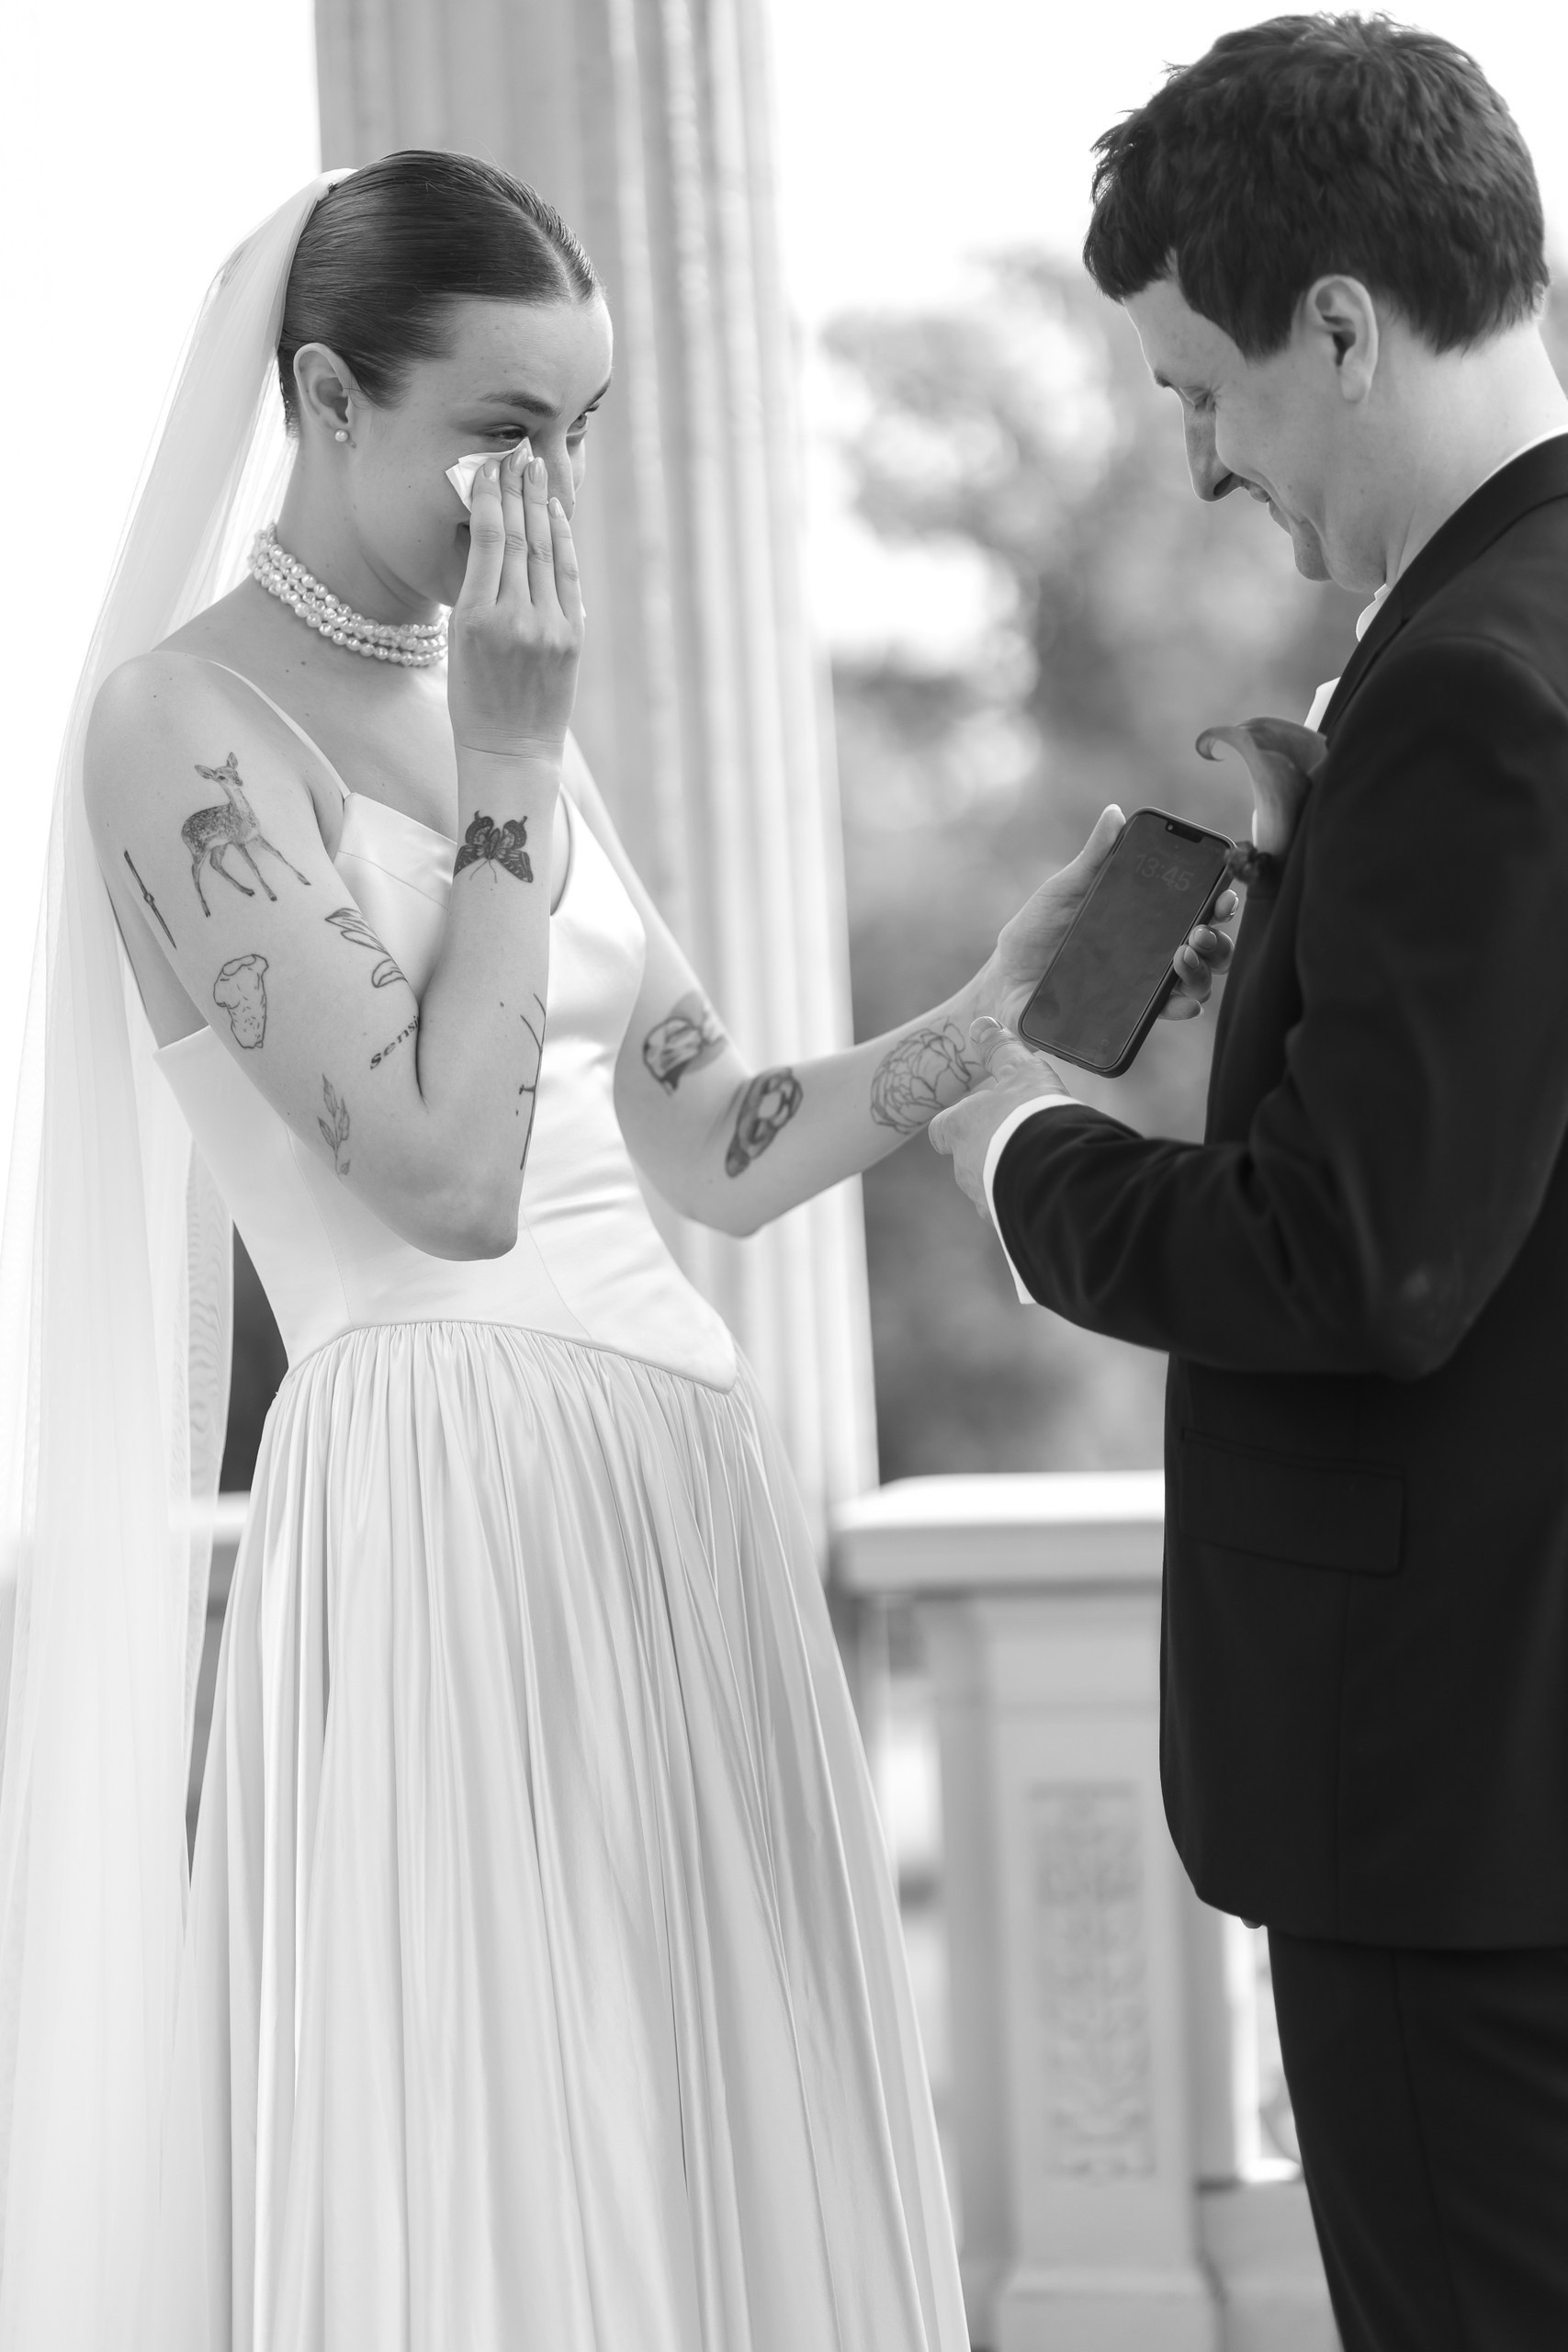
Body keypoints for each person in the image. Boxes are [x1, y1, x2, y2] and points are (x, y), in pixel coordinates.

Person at [0, 153, 1230, 2347]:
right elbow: (447, 1173)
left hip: (675, 1496)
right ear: (325, 394)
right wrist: (512, 761)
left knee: (703, 2152)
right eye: (503, 430)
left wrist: (993, 1000)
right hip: (441, 1507)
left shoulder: (510, 728)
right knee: (491, 2157)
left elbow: (718, 1140)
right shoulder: (181, 729)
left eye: (581, 433)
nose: (547, 493)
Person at [931, 16, 1568, 2350]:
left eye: (1198, 392)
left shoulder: (1478, 692)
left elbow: (1358, 1256)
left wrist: (1033, 1164)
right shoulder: (1489, 658)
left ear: (1335, 322)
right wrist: (1327, 880)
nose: (1193, 464)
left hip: (1452, 1809)